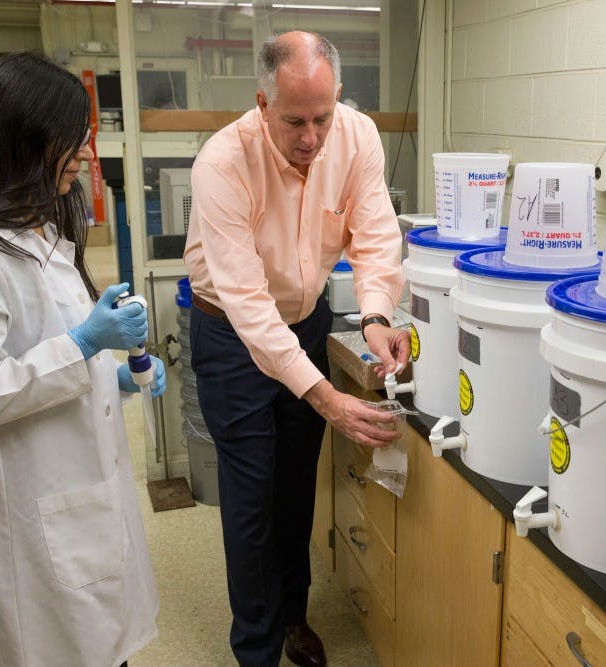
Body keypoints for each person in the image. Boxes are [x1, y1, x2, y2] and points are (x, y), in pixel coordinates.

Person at [0, 51, 162, 667]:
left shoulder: (46, 236)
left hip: (78, 499)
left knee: (101, 645)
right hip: (25, 515)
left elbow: (44, 352)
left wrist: (112, 372)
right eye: (71, 139)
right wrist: (82, 345)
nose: (83, 154)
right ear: (23, 142)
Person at [183, 31, 409, 667]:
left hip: (306, 320)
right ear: (262, 103)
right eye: (293, 121)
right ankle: (255, 649)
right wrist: (327, 397)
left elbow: (374, 234)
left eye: (322, 117)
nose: (311, 137)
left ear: (338, 100)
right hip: (232, 333)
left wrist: (374, 317)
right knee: (251, 499)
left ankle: (292, 618)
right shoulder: (223, 163)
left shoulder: (357, 136)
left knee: (294, 485)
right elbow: (250, 305)